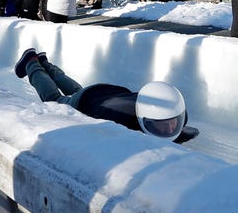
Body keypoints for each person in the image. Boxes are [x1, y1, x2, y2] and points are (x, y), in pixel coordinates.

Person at [13, 48, 197, 143]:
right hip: (92, 103)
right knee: (55, 101)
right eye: (164, 125)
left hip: (106, 92)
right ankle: (31, 62)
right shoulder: (119, 118)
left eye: (174, 123)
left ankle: (44, 62)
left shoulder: (172, 110)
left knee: (77, 90)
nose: (172, 127)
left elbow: (180, 130)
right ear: (144, 120)